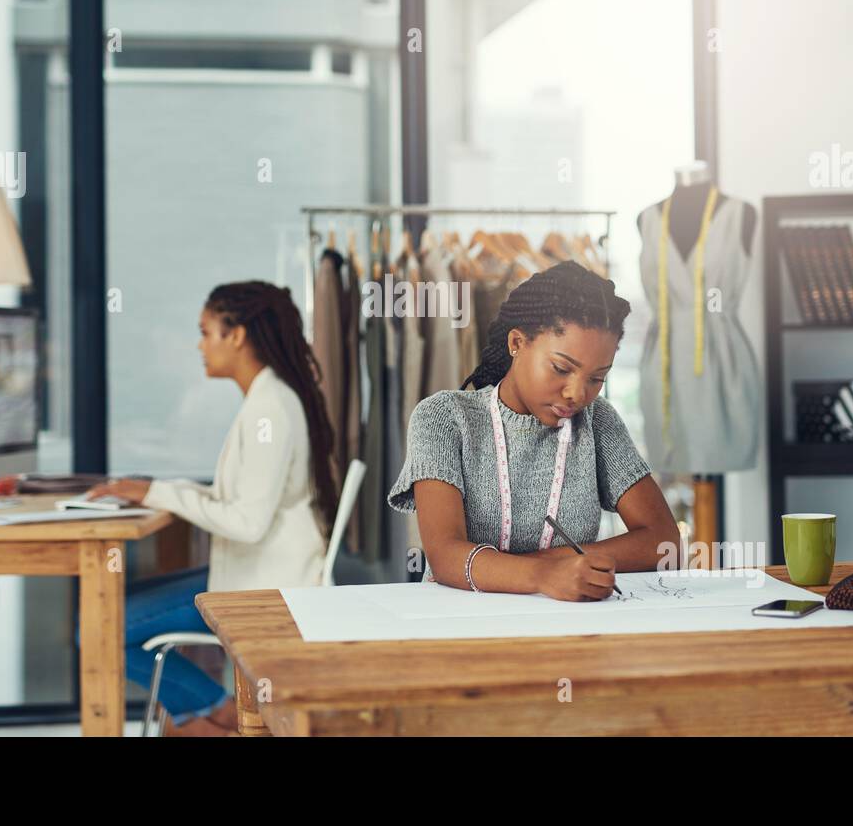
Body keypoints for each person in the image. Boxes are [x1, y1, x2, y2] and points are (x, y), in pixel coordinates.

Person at [85, 281, 337, 735]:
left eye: (206, 332)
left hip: (263, 584)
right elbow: (236, 500)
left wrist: (156, 495)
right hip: (250, 570)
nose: (199, 345)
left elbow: (246, 521)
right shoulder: (267, 399)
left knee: (101, 625)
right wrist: (154, 488)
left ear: (236, 335)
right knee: (112, 606)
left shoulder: (270, 410)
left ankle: (214, 712)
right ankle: (200, 716)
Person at [388, 261, 678, 600]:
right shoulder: (444, 418)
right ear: (517, 343)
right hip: (462, 628)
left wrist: (515, 569)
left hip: (566, 628)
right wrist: (544, 575)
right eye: (561, 368)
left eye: (597, 378)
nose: (577, 394)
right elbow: (444, 556)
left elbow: (665, 543)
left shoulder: (597, 422)